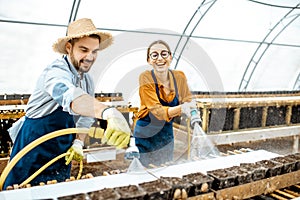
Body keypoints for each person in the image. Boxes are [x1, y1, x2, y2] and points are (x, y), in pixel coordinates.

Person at [3, 18, 130, 189]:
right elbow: (71, 97)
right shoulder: (55, 73)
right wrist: (108, 112)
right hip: (33, 148)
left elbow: (84, 117)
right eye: (83, 50)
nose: (90, 57)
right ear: (69, 48)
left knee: (58, 189)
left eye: (94, 51)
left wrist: (78, 142)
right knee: (22, 191)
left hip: (61, 150)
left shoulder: (87, 80)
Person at [133, 40, 200, 167]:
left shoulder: (179, 77)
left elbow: (187, 98)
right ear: (149, 60)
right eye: (154, 55)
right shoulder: (145, 77)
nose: (160, 58)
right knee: (145, 174)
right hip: (146, 134)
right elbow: (157, 111)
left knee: (165, 171)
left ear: (170, 57)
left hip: (166, 134)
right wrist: (182, 108)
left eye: (164, 54)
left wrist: (192, 109)